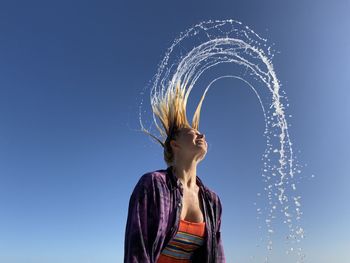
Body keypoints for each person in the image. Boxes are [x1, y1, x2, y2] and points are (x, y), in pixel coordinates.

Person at [124, 82, 225, 262]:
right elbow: (137, 250)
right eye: (193, 132)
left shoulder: (212, 201)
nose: (201, 135)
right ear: (175, 144)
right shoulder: (152, 185)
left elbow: (217, 256)